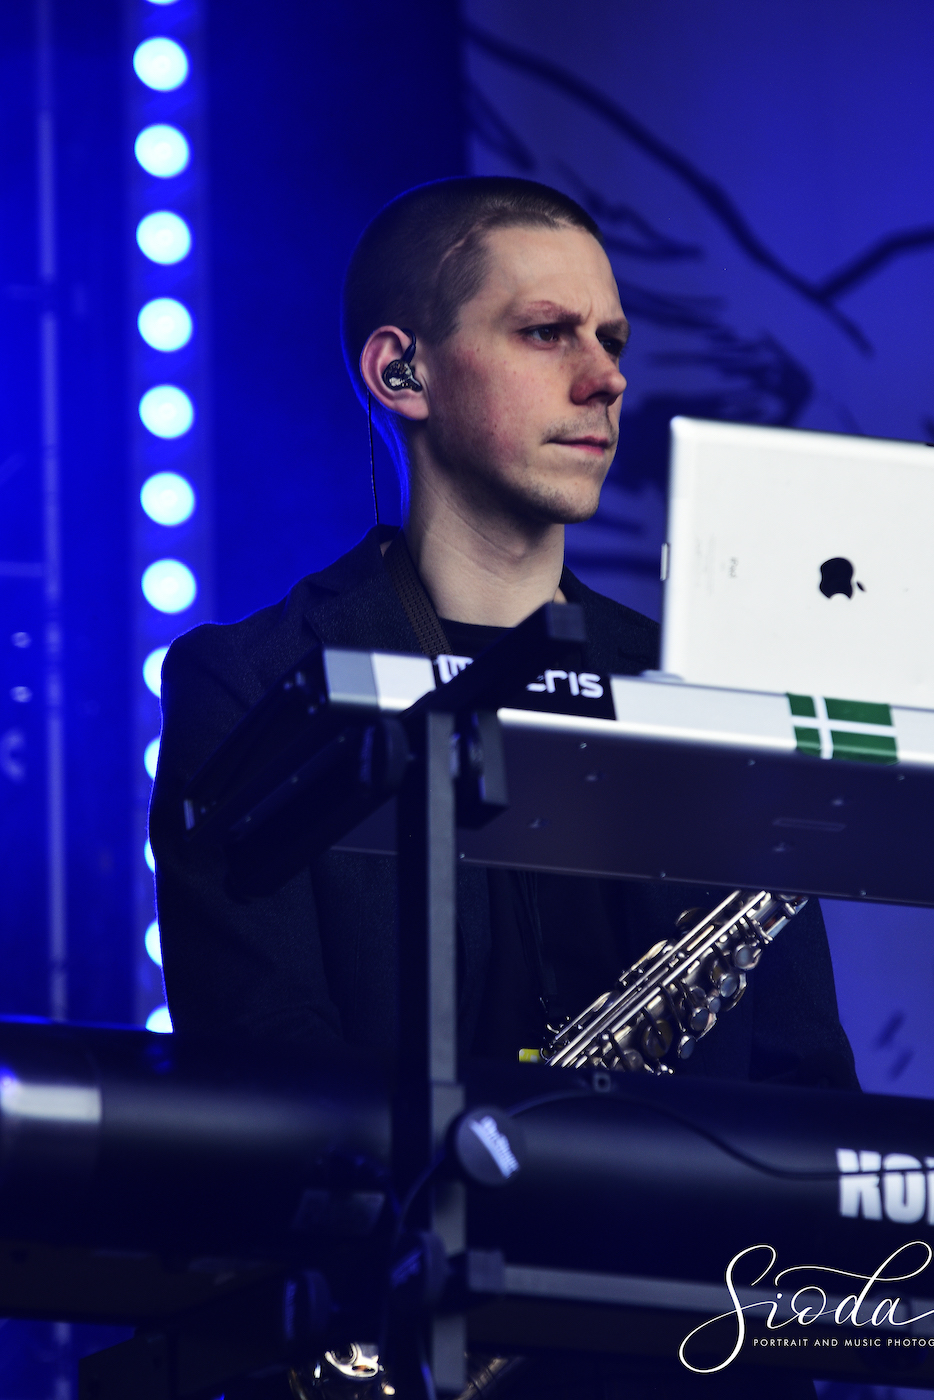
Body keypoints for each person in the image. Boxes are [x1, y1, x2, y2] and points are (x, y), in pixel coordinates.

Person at [149, 177, 856, 1399]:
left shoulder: (708, 689)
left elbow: (804, 1087)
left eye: (613, 339)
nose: (606, 378)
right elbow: (261, 1064)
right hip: (389, 1343)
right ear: (400, 371)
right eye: (546, 332)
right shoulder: (247, 683)